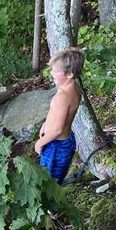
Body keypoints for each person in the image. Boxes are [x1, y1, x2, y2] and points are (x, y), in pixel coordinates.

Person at [34, 47, 84, 184]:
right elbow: (58, 114)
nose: (52, 73)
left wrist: (39, 143)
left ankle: (50, 205)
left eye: (56, 71)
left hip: (56, 147)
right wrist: (45, 124)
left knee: (49, 183)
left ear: (69, 74)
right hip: (61, 142)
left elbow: (58, 130)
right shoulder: (74, 89)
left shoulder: (63, 96)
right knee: (50, 179)